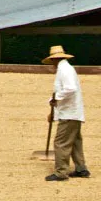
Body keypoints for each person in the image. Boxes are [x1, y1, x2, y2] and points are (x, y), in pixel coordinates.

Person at [41, 45, 90, 181]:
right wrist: (55, 112)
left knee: (61, 142)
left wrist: (55, 98)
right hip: (73, 112)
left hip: (69, 114)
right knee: (74, 141)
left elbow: (70, 89)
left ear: (54, 60)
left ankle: (61, 172)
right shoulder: (66, 69)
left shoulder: (65, 70)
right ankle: (81, 169)